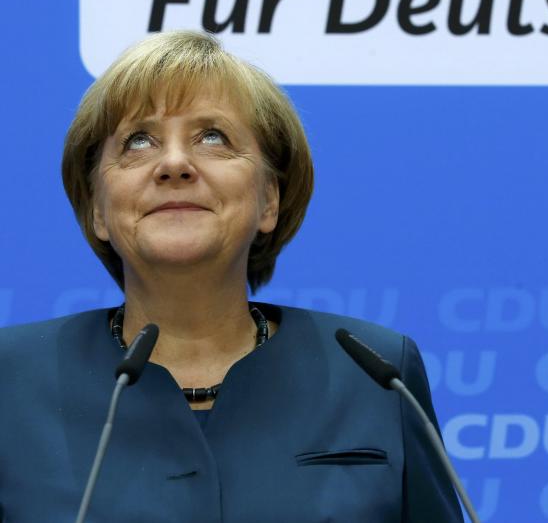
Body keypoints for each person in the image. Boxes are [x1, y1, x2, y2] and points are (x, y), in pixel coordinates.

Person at [0, 31, 463, 522]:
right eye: (139, 141)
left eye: (213, 137)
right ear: (97, 209)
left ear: (269, 199)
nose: (174, 164)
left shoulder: (377, 374)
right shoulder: (11, 381)